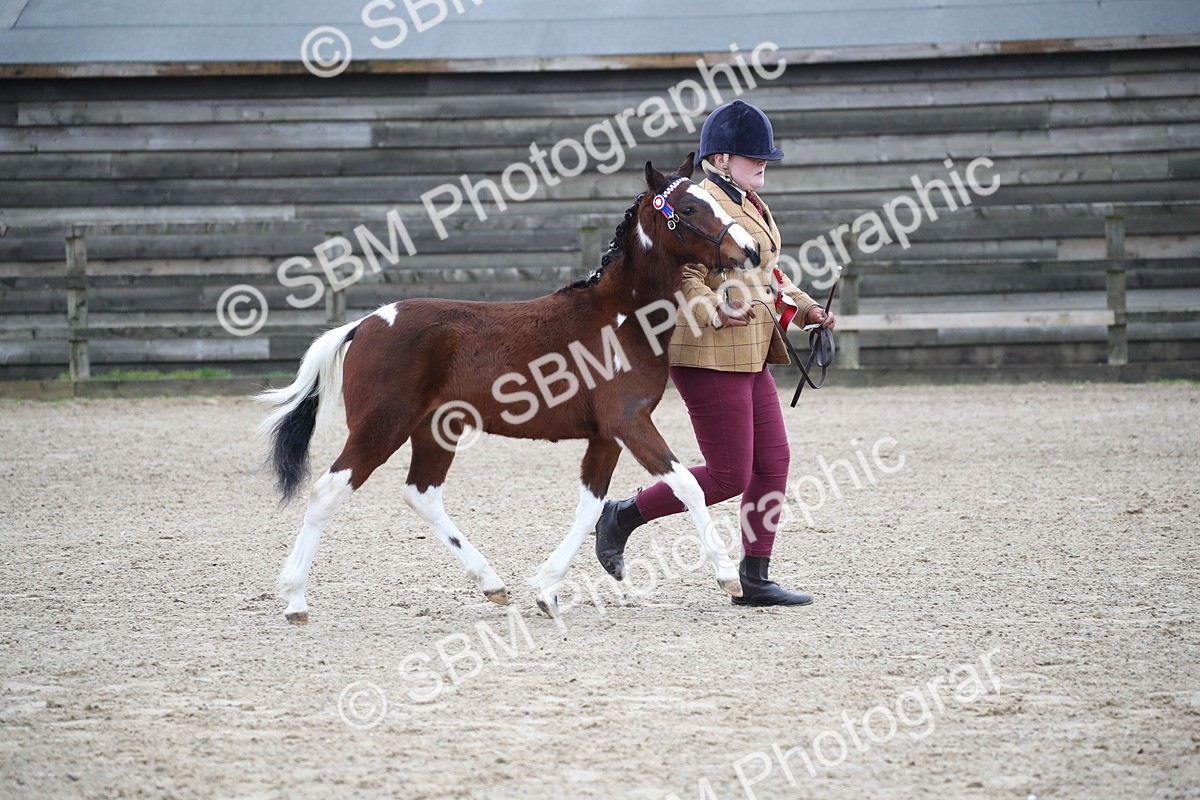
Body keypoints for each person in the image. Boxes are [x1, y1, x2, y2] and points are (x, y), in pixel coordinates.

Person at [595, 99, 836, 606]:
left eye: (765, 156)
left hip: (750, 348)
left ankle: (755, 578)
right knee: (729, 474)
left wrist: (808, 308)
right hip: (707, 350)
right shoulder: (698, 201)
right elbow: (681, 275)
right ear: (720, 159)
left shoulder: (748, 199)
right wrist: (713, 311)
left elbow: (766, 272)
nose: (764, 162)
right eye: (754, 156)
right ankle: (622, 515)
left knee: (772, 463)